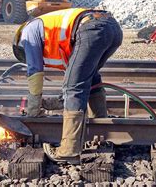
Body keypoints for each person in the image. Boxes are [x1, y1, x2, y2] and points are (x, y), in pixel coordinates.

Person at [13, 8, 122, 164]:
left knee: (75, 88)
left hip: (92, 28)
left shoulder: (28, 32)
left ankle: (69, 151)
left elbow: (35, 70)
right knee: (89, 78)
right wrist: (51, 103)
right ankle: (100, 132)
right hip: (112, 29)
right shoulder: (56, 38)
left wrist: (34, 108)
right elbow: (76, 79)